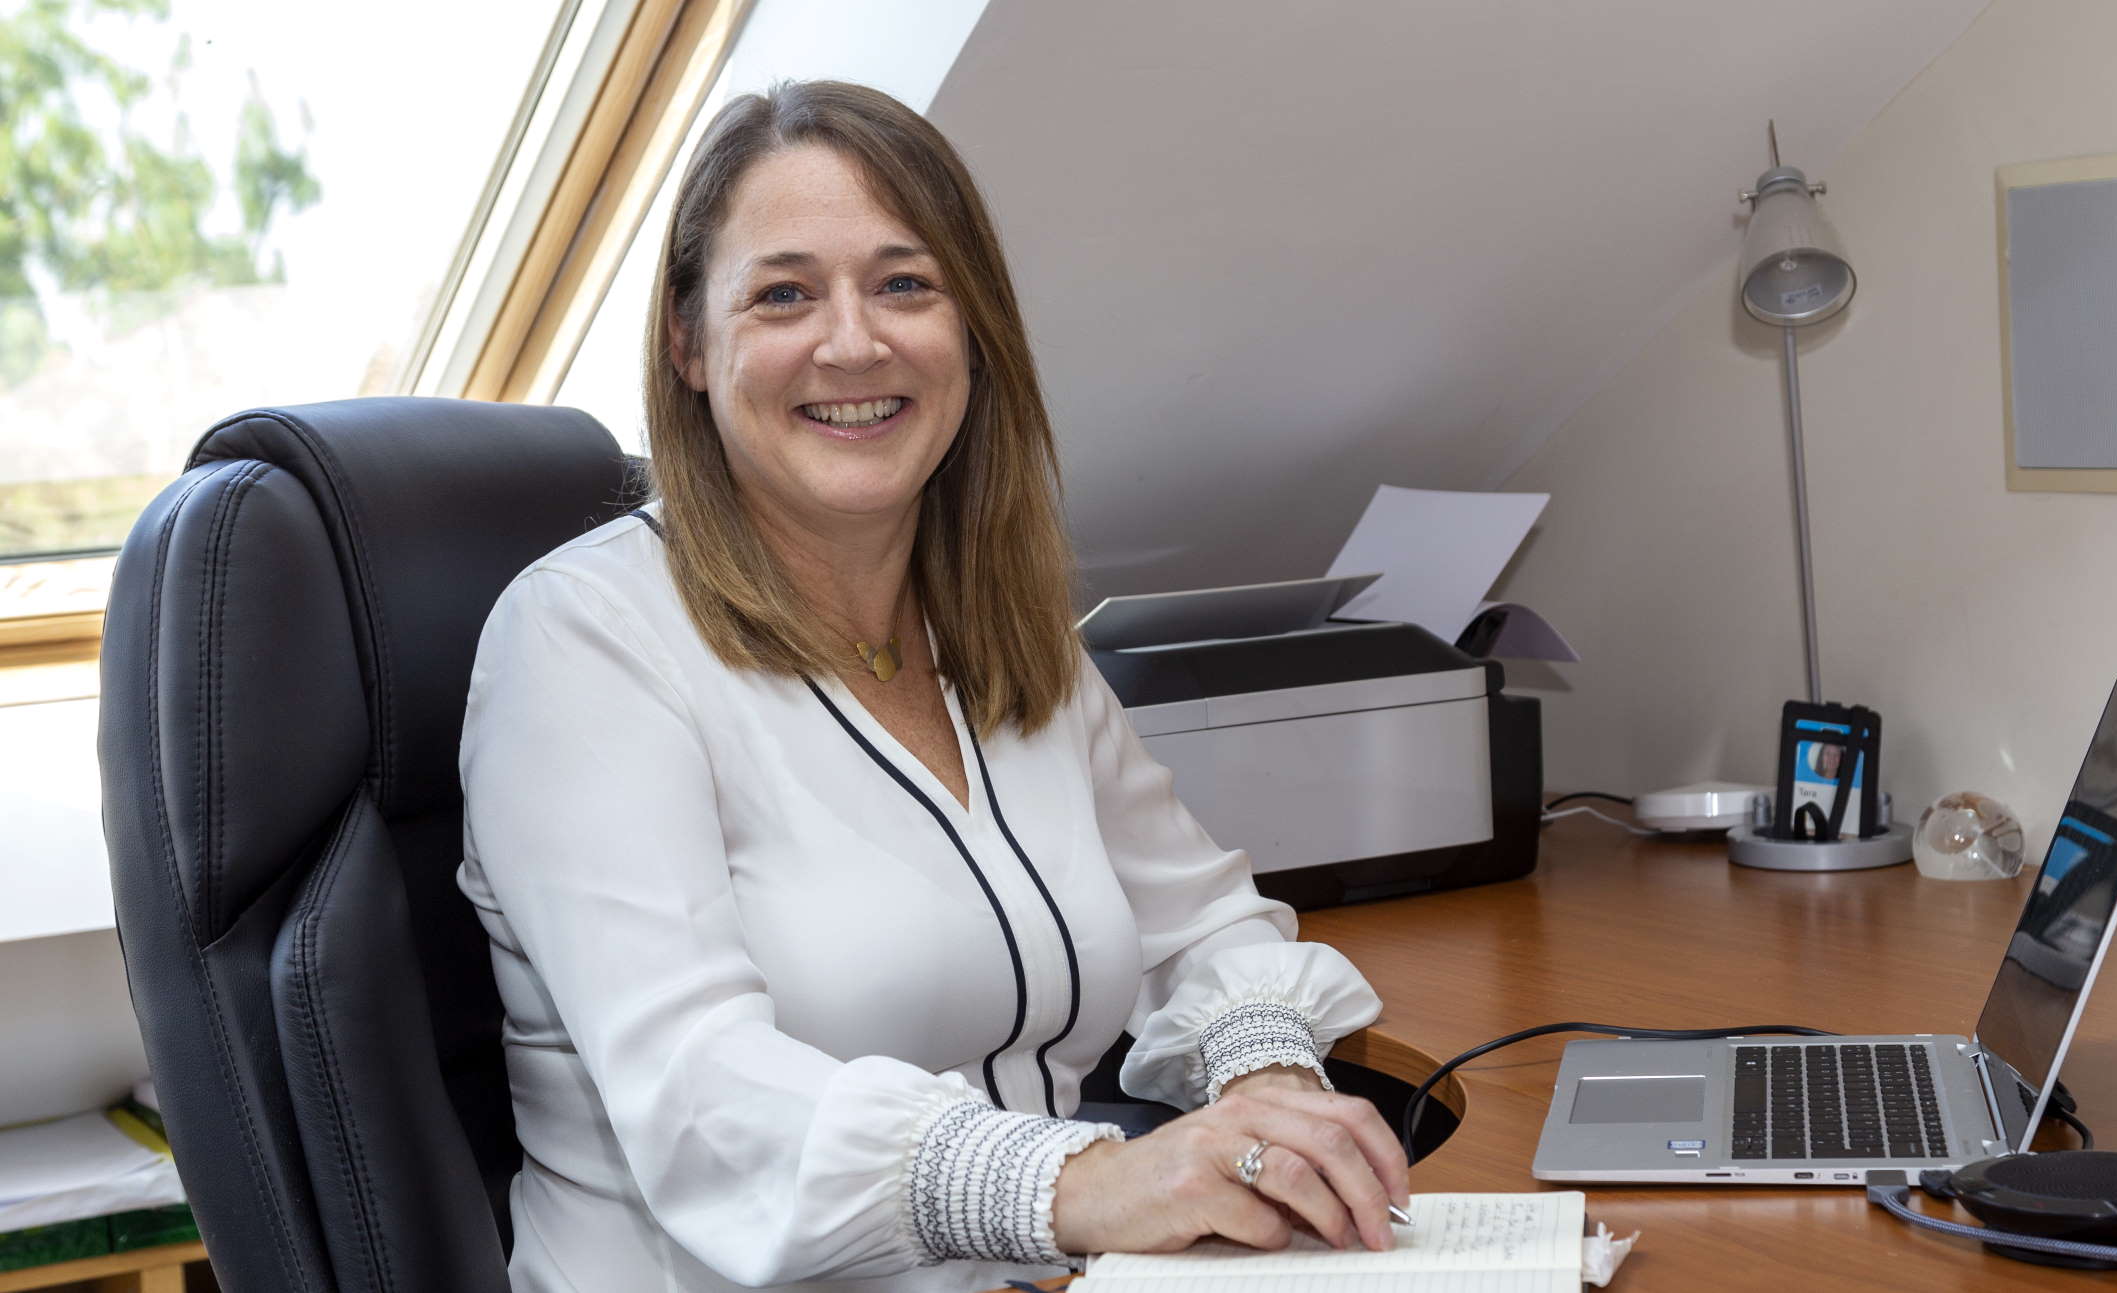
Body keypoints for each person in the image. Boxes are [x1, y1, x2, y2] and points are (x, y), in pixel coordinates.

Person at [457, 80, 1407, 1293]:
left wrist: (1265, 1082)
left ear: (975, 330)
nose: (853, 344)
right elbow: (698, 1090)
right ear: (690, 346)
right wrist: (1081, 1186)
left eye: (905, 284)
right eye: (783, 293)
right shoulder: (581, 640)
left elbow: (1202, 924)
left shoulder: (1000, 625)